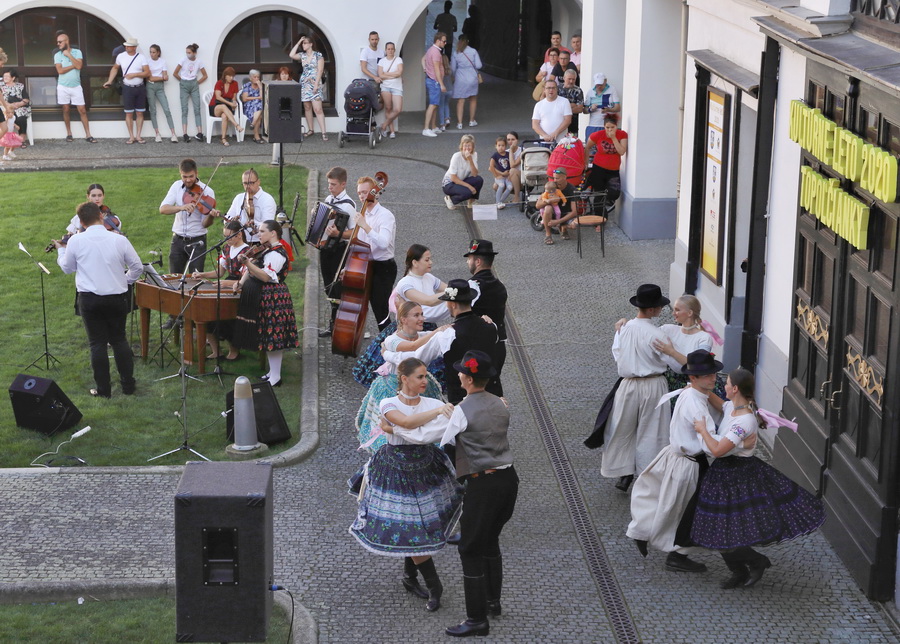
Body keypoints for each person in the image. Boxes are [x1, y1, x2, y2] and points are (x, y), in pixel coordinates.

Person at [691, 367, 826, 588]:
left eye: (727, 383)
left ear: (735, 389)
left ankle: (756, 561)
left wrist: (703, 430)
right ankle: (739, 571)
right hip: (724, 474)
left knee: (727, 529)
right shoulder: (732, 407)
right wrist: (697, 387)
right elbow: (718, 403)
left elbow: (717, 450)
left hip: (738, 477)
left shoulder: (744, 422)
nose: (723, 385)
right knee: (721, 528)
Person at [350, 357, 463, 613]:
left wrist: (405, 428)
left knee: (414, 525)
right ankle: (434, 585)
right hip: (395, 470)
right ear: (404, 379)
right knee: (411, 525)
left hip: (425, 468)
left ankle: (410, 577)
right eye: (420, 377)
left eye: (425, 375)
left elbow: (430, 433)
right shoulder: (389, 403)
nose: (425, 381)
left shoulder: (433, 403)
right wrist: (435, 414)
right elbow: (408, 423)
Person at [441, 350, 518, 637]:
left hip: (483, 484)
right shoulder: (500, 402)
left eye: (462, 371)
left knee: (470, 548)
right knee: (489, 540)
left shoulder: (462, 410)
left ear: (469, 379)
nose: (459, 374)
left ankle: (476, 619)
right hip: (508, 480)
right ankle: (492, 602)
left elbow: (445, 442)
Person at [626, 349, 723, 573]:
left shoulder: (691, 394)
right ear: (693, 378)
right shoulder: (695, 404)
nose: (713, 378)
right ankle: (676, 554)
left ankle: (644, 533)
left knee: (662, 499)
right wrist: (735, 442)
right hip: (688, 463)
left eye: (713, 373)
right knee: (686, 510)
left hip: (677, 457)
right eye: (707, 375)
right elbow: (710, 443)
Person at [54, 201, 142, 397]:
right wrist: (126, 280)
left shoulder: (76, 241)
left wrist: (61, 250)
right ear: (101, 216)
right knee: (119, 340)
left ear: (81, 222)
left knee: (97, 343)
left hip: (90, 299)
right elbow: (137, 267)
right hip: (116, 297)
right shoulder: (119, 239)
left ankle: (104, 390)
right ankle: (128, 386)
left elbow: (67, 268)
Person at [600, 284, 671, 492]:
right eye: (660, 306)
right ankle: (646, 475)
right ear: (652, 309)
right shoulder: (658, 335)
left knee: (623, 428)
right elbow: (673, 362)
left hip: (628, 384)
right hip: (654, 384)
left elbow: (617, 354)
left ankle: (624, 472)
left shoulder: (623, 329)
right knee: (652, 430)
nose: (661, 309)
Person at [353, 244, 449, 388]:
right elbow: (427, 301)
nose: (431, 262)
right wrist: (453, 292)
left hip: (425, 326)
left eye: (430, 259)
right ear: (415, 262)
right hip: (410, 327)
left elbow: (445, 288)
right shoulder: (405, 283)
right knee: (408, 359)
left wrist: (457, 289)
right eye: (427, 259)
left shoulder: (429, 277)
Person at [355, 302, 447, 453]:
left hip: (417, 384)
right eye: (416, 315)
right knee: (389, 430)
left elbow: (431, 341)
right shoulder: (392, 340)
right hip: (392, 387)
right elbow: (412, 348)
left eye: (422, 314)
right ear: (403, 319)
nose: (422, 319)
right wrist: (436, 332)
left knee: (426, 423)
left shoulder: (423, 336)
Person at [231, 220, 299, 387]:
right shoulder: (266, 250)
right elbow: (252, 267)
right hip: (265, 296)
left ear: (273, 233)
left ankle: (275, 376)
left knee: (274, 337)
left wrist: (247, 263)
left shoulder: (277, 253)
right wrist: (241, 283)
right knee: (269, 336)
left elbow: (266, 276)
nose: (258, 234)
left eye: (262, 231)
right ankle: (272, 373)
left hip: (274, 298)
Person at [413, 280, 499, 404]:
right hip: (491, 396)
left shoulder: (447, 334)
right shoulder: (491, 326)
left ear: (453, 304)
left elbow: (418, 359)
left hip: (460, 401)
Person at [191, 220, 249, 361]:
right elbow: (219, 272)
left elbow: (247, 279)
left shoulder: (247, 251)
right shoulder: (226, 248)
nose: (226, 240)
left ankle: (234, 350)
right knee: (207, 314)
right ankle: (216, 350)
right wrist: (202, 274)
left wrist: (226, 283)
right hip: (226, 283)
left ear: (239, 235)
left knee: (227, 318)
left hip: (241, 287)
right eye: (225, 236)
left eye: (229, 236)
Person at [159, 158, 215, 281]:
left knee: (195, 278)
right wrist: (181, 207)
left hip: (197, 240)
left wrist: (211, 215)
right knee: (174, 279)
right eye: (184, 177)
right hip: (178, 240)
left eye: (191, 176)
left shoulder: (207, 191)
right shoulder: (176, 186)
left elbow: (205, 224)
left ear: (196, 173)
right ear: (180, 174)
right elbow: (163, 209)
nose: (188, 180)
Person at [318, 167, 357, 337]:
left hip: (339, 250)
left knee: (337, 289)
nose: (330, 187)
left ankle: (338, 326)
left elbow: (355, 232)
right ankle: (333, 325)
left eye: (333, 184)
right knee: (328, 287)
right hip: (325, 249)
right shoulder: (329, 199)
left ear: (343, 184)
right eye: (329, 184)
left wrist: (337, 234)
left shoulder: (348, 205)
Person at [649, 294, 716, 395]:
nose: (673, 313)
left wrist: (671, 352)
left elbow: (698, 366)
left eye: (677, 310)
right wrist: (627, 325)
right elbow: (646, 335)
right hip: (665, 386)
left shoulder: (704, 338)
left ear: (689, 313)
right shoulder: (667, 329)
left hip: (692, 387)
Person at [465, 239, 507, 394]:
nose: (467, 262)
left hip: (477, 346)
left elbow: (462, 312)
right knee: (492, 386)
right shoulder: (499, 285)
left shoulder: (473, 285)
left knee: (475, 388)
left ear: (478, 261)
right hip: (498, 345)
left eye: (469, 258)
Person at [356, 175, 397, 332]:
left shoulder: (385, 215)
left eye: (365, 192)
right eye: (359, 193)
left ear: (375, 192)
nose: (362, 196)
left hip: (383, 267)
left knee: (381, 311)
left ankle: (389, 342)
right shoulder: (362, 215)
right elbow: (360, 246)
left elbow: (383, 243)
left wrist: (365, 226)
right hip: (366, 265)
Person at [211, 168, 276, 245]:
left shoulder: (267, 199)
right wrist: (233, 221)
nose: (248, 186)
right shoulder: (239, 198)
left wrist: (253, 224)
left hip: (259, 242)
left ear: (258, 182)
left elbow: (268, 226)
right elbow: (227, 219)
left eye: (251, 183)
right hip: (239, 241)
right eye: (245, 183)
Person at [103, 39, 150, 144]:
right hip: (128, 88)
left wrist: (135, 74)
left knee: (140, 113)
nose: (126, 47)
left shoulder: (141, 57)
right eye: (126, 45)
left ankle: (138, 136)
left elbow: (147, 73)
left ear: (134, 47)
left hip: (140, 88)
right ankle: (131, 136)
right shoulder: (121, 56)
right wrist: (109, 81)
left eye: (129, 46)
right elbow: (115, 68)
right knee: (129, 113)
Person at [54, 31, 96, 143]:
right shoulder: (57, 55)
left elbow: (80, 66)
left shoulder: (77, 52)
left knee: (82, 110)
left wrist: (69, 55)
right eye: (57, 42)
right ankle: (69, 134)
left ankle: (88, 135)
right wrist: (74, 65)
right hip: (63, 86)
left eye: (60, 42)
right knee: (66, 109)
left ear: (67, 41)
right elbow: (60, 70)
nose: (58, 44)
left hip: (76, 86)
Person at [585, 114, 627, 216]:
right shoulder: (597, 135)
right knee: (599, 194)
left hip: (613, 170)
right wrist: (585, 163)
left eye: (612, 127)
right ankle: (600, 218)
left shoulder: (622, 135)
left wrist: (614, 138)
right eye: (607, 127)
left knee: (614, 193)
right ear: (604, 126)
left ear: (616, 126)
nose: (610, 130)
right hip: (599, 168)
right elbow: (587, 147)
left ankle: (604, 205)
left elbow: (622, 151)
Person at [289, 36, 327, 141]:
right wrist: (299, 42)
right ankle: (311, 129)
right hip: (305, 83)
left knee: (318, 109)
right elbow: (291, 55)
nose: (303, 45)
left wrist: (316, 85)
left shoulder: (318, 55)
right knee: (307, 106)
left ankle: (324, 132)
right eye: (303, 43)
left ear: (311, 44)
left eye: (305, 43)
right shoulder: (302, 55)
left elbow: (320, 70)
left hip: (315, 83)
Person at [174, 44, 208, 142]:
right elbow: (175, 73)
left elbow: (205, 75)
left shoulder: (199, 62)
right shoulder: (183, 60)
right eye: (186, 52)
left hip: (194, 84)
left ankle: (200, 133)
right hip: (184, 84)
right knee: (184, 109)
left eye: (189, 52)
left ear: (194, 53)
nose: (187, 54)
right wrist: (182, 81)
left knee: (197, 108)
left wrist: (197, 83)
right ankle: (185, 134)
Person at [145, 45, 178, 143]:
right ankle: (157, 134)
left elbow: (166, 77)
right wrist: (161, 77)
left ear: (158, 52)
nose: (151, 54)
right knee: (153, 110)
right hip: (150, 86)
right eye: (150, 52)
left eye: (153, 52)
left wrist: (158, 78)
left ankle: (173, 134)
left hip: (160, 87)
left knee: (166, 109)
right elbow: (150, 78)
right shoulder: (147, 62)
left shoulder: (162, 61)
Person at [442, 134, 483, 209]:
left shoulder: (474, 155)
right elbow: (453, 178)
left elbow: (474, 174)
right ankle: (450, 199)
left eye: (469, 145)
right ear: (462, 146)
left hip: (461, 180)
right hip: (449, 184)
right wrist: (469, 187)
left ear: (473, 147)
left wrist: (470, 160)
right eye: (465, 146)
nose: (467, 148)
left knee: (479, 180)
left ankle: (471, 202)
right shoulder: (456, 156)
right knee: (468, 192)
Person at [538, 167, 577, 244]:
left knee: (575, 225)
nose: (555, 180)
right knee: (548, 208)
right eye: (554, 178)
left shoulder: (571, 189)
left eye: (557, 178)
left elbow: (574, 211)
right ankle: (548, 235)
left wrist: (557, 221)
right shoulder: (550, 186)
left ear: (565, 177)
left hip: (565, 214)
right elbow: (537, 205)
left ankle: (563, 228)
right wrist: (549, 201)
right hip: (552, 213)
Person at [451, 34, 481, 129]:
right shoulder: (473, 51)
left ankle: (459, 123)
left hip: (460, 77)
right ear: (468, 41)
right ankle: (472, 121)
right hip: (472, 77)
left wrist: (453, 76)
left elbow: (453, 68)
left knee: (461, 100)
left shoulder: (456, 53)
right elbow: (479, 65)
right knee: (473, 99)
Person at [208, 67, 243, 146]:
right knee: (223, 106)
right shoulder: (219, 83)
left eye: (233, 76)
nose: (231, 78)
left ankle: (223, 138)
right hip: (215, 106)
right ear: (225, 75)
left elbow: (234, 97)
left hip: (227, 107)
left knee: (224, 116)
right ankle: (236, 125)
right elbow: (218, 97)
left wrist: (233, 103)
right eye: (229, 76)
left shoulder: (235, 83)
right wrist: (229, 103)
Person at [531, 79, 572, 144]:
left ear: (557, 89)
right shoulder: (538, 105)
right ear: (544, 90)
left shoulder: (564, 102)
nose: (551, 90)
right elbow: (535, 124)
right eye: (548, 88)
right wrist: (544, 135)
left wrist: (556, 133)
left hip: (561, 142)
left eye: (553, 88)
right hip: (544, 142)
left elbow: (567, 120)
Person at [422, 32, 447, 137]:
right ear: (438, 41)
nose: (445, 43)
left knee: (435, 104)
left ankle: (433, 126)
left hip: (431, 80)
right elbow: (437, 69)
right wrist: (441, 84)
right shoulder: (436, 53)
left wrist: (425, 69)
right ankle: (426, 128)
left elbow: (423, 59)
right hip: (434, 82)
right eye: (444, 41)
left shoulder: (430, 50)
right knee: (432, 105)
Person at [377, 42, 403, 139]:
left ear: (394, 50)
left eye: (392, 49)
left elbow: (399, 73)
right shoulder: (382, 61)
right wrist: (393, 74)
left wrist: (386, 74)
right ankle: (391, 131)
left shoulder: (398, 60)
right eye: (388, 49)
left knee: (398, 109)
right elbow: (380, 75)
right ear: (386, 50)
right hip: (385, 87)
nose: (390, 51)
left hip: (397, 87)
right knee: (388, 108)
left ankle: (384, 125)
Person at [583, 73, 621, 139]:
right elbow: (584, 110)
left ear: (605, 81)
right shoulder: (590, 91)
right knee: (592, 145)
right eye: (597, 85)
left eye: (601, 84)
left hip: (609, 125)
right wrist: (590, 109)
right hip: (594, 124)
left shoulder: (612, 89)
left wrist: (608, 109)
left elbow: (618, 108)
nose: (599, 86)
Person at [1, 69, 31, 148]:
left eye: (7, 76)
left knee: (21, 118)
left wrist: (18, 104)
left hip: (20, 107)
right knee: (7, 117)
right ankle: (6, 140)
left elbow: (26, 99)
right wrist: (8, 105)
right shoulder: (1, 87)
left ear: (13, 78)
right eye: (4, 76)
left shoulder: (20, 86)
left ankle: (22, 140)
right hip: (6, 108)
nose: (5, 78)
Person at [241, 69, 264, 143]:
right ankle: (256, 136)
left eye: (258, 77)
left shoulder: (261, 86)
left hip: (259, 107)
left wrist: (260, 87)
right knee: (259, 113)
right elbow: (245, 99)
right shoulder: (247, 85)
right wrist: (257, 98)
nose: (257, 79)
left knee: (259, 105)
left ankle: (253, 124)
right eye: (255, 77)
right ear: (250, 78)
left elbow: (263, 97)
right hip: (249, 106)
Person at [489, 136, 513, 208]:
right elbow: (491, 167)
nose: (501, 147)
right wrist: (496, 175)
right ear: (496, 146)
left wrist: (510, 174)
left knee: (510, 187)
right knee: (501, 185)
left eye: (503, 145)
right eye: (499, 145)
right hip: (500, 176)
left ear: (505, 146)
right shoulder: (495, 155)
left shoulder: (508, 154)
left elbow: (512, 165)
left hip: (508, 176)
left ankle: (500, 201)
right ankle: (498, 202)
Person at [505, 132, 523, 203]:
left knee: (512, 170)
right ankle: (500, 201)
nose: (510, 141)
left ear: (517, 140)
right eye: (508, 139)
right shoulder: (505, 152)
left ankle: (516, 197)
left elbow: (512, 165)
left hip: (521, 177)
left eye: (513, 139)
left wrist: (511, 151)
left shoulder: (522, 150)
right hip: (510, 177)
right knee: (495, 186)